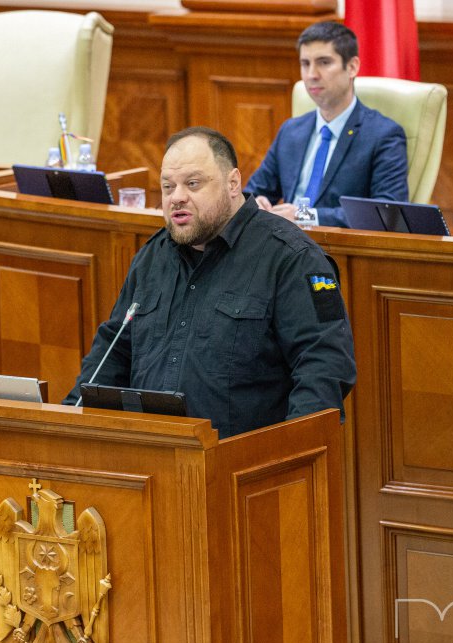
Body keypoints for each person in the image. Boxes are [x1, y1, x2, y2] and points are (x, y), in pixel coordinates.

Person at [64, 126, 357, 438]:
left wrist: (291, 452)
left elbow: (324, 368)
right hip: (153, 452)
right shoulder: (152, 257)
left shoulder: (293, 258)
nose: (177, 197)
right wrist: (68, 421)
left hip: (243, 460)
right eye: (167, 187)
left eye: (193, 184)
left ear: (233, 183)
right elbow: (113, 352)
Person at [244, 21, 409, 228]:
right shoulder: (291, 131)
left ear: (352, 67)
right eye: (305, 64)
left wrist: (304, 215)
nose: (311, 74)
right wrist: (255, 204)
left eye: (324, 62)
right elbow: (251, 193)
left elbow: (386, 212)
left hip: (337, 244)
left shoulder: (383, 135)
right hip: (281, 240)